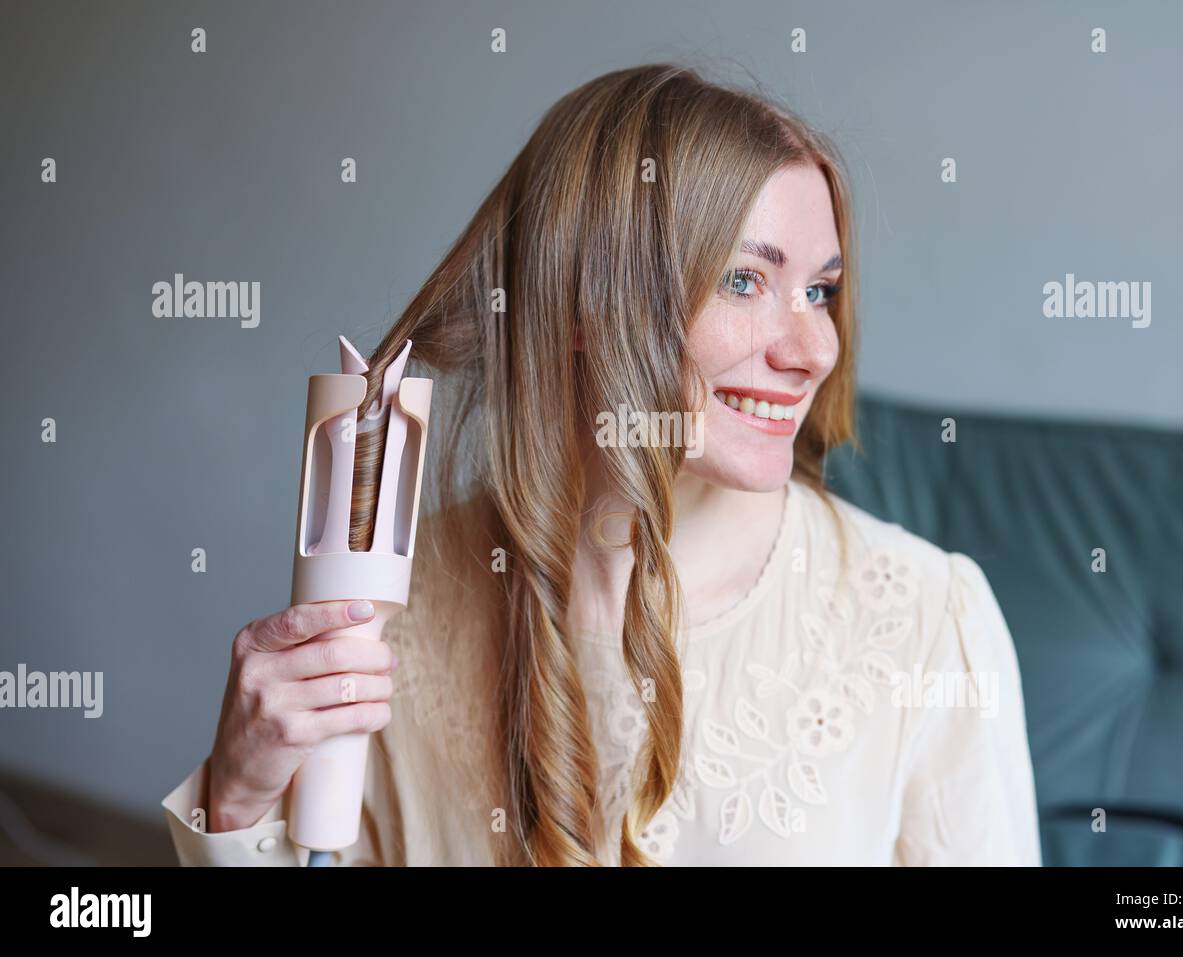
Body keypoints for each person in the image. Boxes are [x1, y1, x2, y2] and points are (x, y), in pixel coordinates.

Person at [162, 62, 1041, 866]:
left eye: (821, 289)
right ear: (588, 300)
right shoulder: (396, 605)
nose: (815, 346)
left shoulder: (929, 622)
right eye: (745, 280)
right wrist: (237, 795)